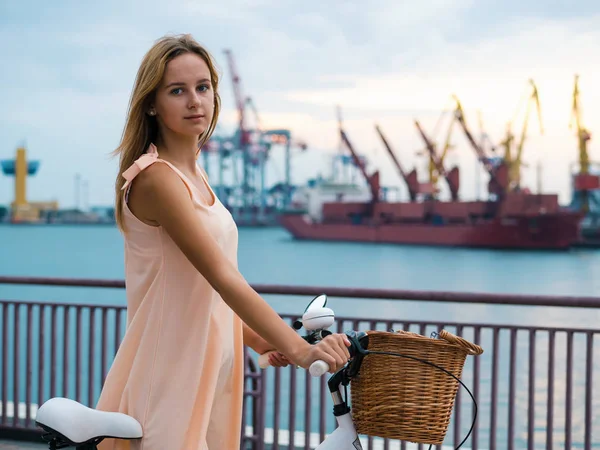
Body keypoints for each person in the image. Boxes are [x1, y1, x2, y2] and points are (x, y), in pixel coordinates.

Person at [95, 33, 351, 450]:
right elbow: (221, 278)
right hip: (172, 367)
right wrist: (302, 352)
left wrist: (260, 339)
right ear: (152, 103)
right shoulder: (158, 178)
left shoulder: (195, 174)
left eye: (203, 87)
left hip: (212, 362)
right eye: (177, 90)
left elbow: (201, 291)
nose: (195, 100)